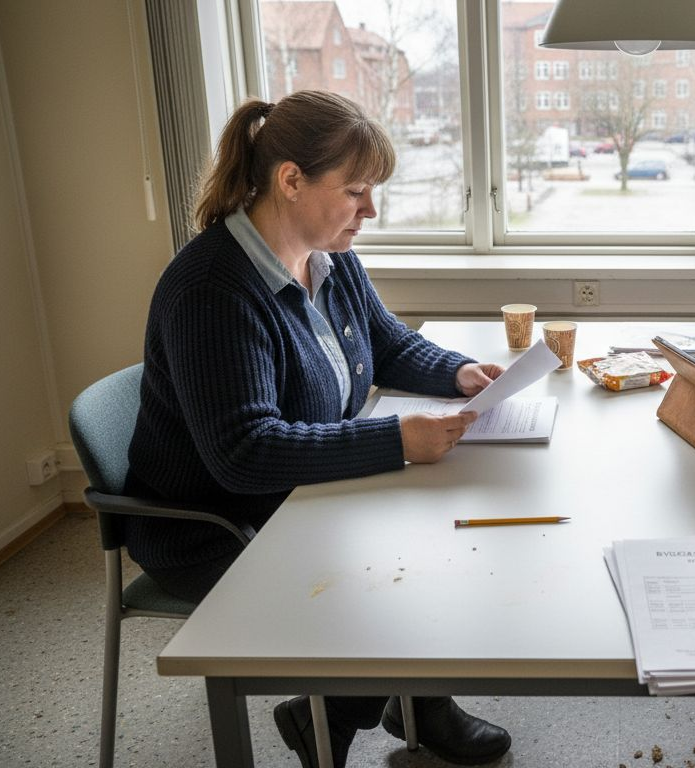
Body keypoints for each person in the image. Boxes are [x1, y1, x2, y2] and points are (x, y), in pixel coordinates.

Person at [124, 90, 511, 767]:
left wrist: (459, 373)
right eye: (356, 191)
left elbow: (386, 344)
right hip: (219, 524)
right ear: (291, 180)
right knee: (402, 572)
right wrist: (395, 440)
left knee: (433, 537)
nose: (370, 210)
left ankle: (409, 702)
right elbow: (244, 453)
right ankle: (337, 718)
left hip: (297, 498)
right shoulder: (213, 290)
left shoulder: (328, 254)